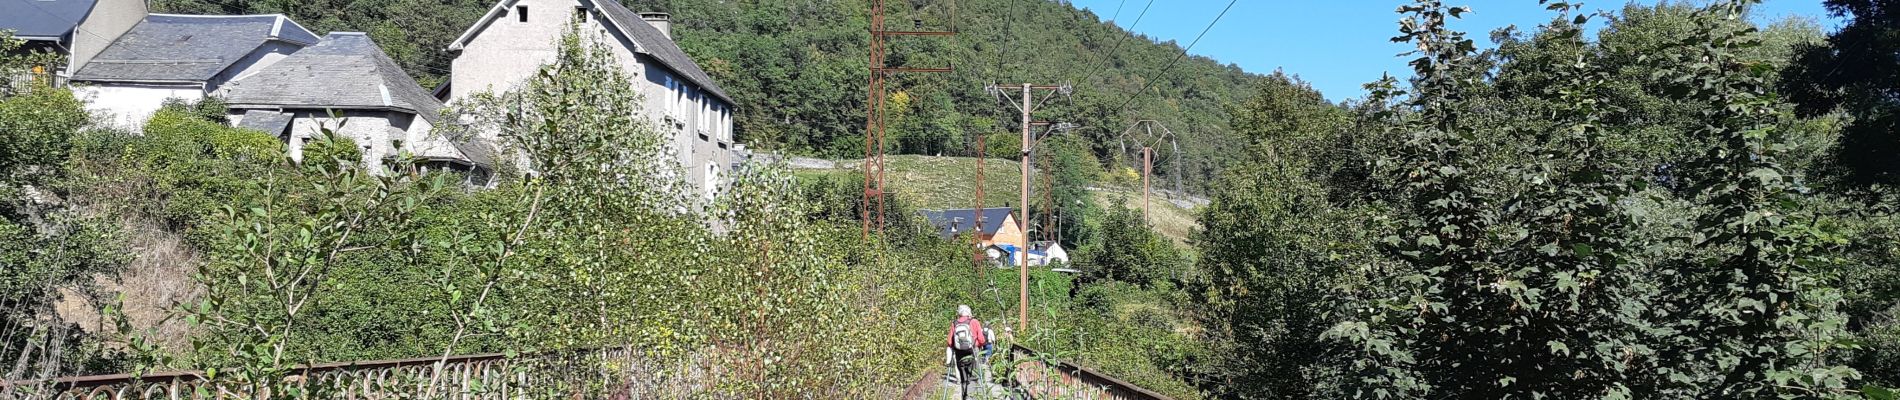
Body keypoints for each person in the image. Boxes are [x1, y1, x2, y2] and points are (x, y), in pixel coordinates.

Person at [945, 304, 988, 396]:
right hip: (973, 351)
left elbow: (949, 342)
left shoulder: (954, 323)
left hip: (959, 354)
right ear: (969, 313)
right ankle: (971, 396)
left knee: (963, 378)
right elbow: (981, 339)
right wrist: (981, 345)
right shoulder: (974, 321)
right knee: (973, 376)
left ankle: (964, 396)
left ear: (959, 313)